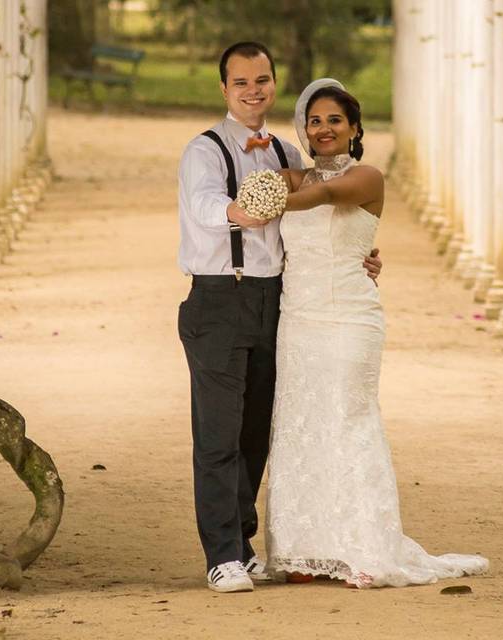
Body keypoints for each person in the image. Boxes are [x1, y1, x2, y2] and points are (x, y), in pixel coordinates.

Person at [264, 79, 489, 588]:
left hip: (348, 319)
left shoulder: (367, 177)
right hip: (298, 319)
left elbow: (322, 194)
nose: (323, 129)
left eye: (334, 120)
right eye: (314, 120)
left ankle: (361, 547)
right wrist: (268, 174)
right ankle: (305, 552)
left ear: (355, 128)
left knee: (347, 420)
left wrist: (274, 192)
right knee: (300, 426)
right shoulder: (289, 176)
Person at [177, 44, 382, 594]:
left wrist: (360, 255)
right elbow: (199, 204)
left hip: (281, 303)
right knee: (217, 434)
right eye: (241, 81)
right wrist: (234, 211)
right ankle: (221, 555)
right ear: (224, 89)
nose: (253, 90)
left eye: (262, 79)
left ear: (273, 84)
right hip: (220, 299)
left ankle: (241, 542)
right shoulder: (205, 150)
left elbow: (326, 215)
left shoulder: (290, 155)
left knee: (256, 434)